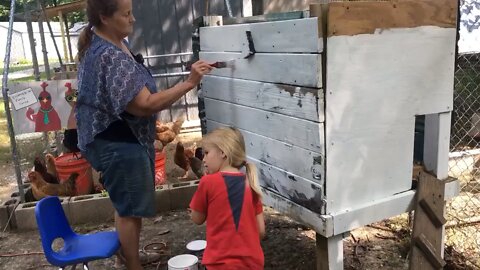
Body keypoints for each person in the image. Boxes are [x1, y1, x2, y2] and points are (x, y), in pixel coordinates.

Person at [75, 0, 213, 269]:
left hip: (116, 138)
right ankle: (133, 265)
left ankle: (129, 256)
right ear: (104, 17)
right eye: (126, 14)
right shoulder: (108, 55)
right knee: (129, 211)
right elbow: (144, 104)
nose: (133, 19)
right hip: (117, 141)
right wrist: (189, 82)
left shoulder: (112, 42)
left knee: (126, 205)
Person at [189, 127, 265, 270]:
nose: (203, 159)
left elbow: (197, 219)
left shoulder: (208, 182)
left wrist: (192, 210)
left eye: (206, 153)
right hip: (252, 264)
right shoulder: (251, 183)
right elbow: (260, 231)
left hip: (219, 264)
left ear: (223, 153)